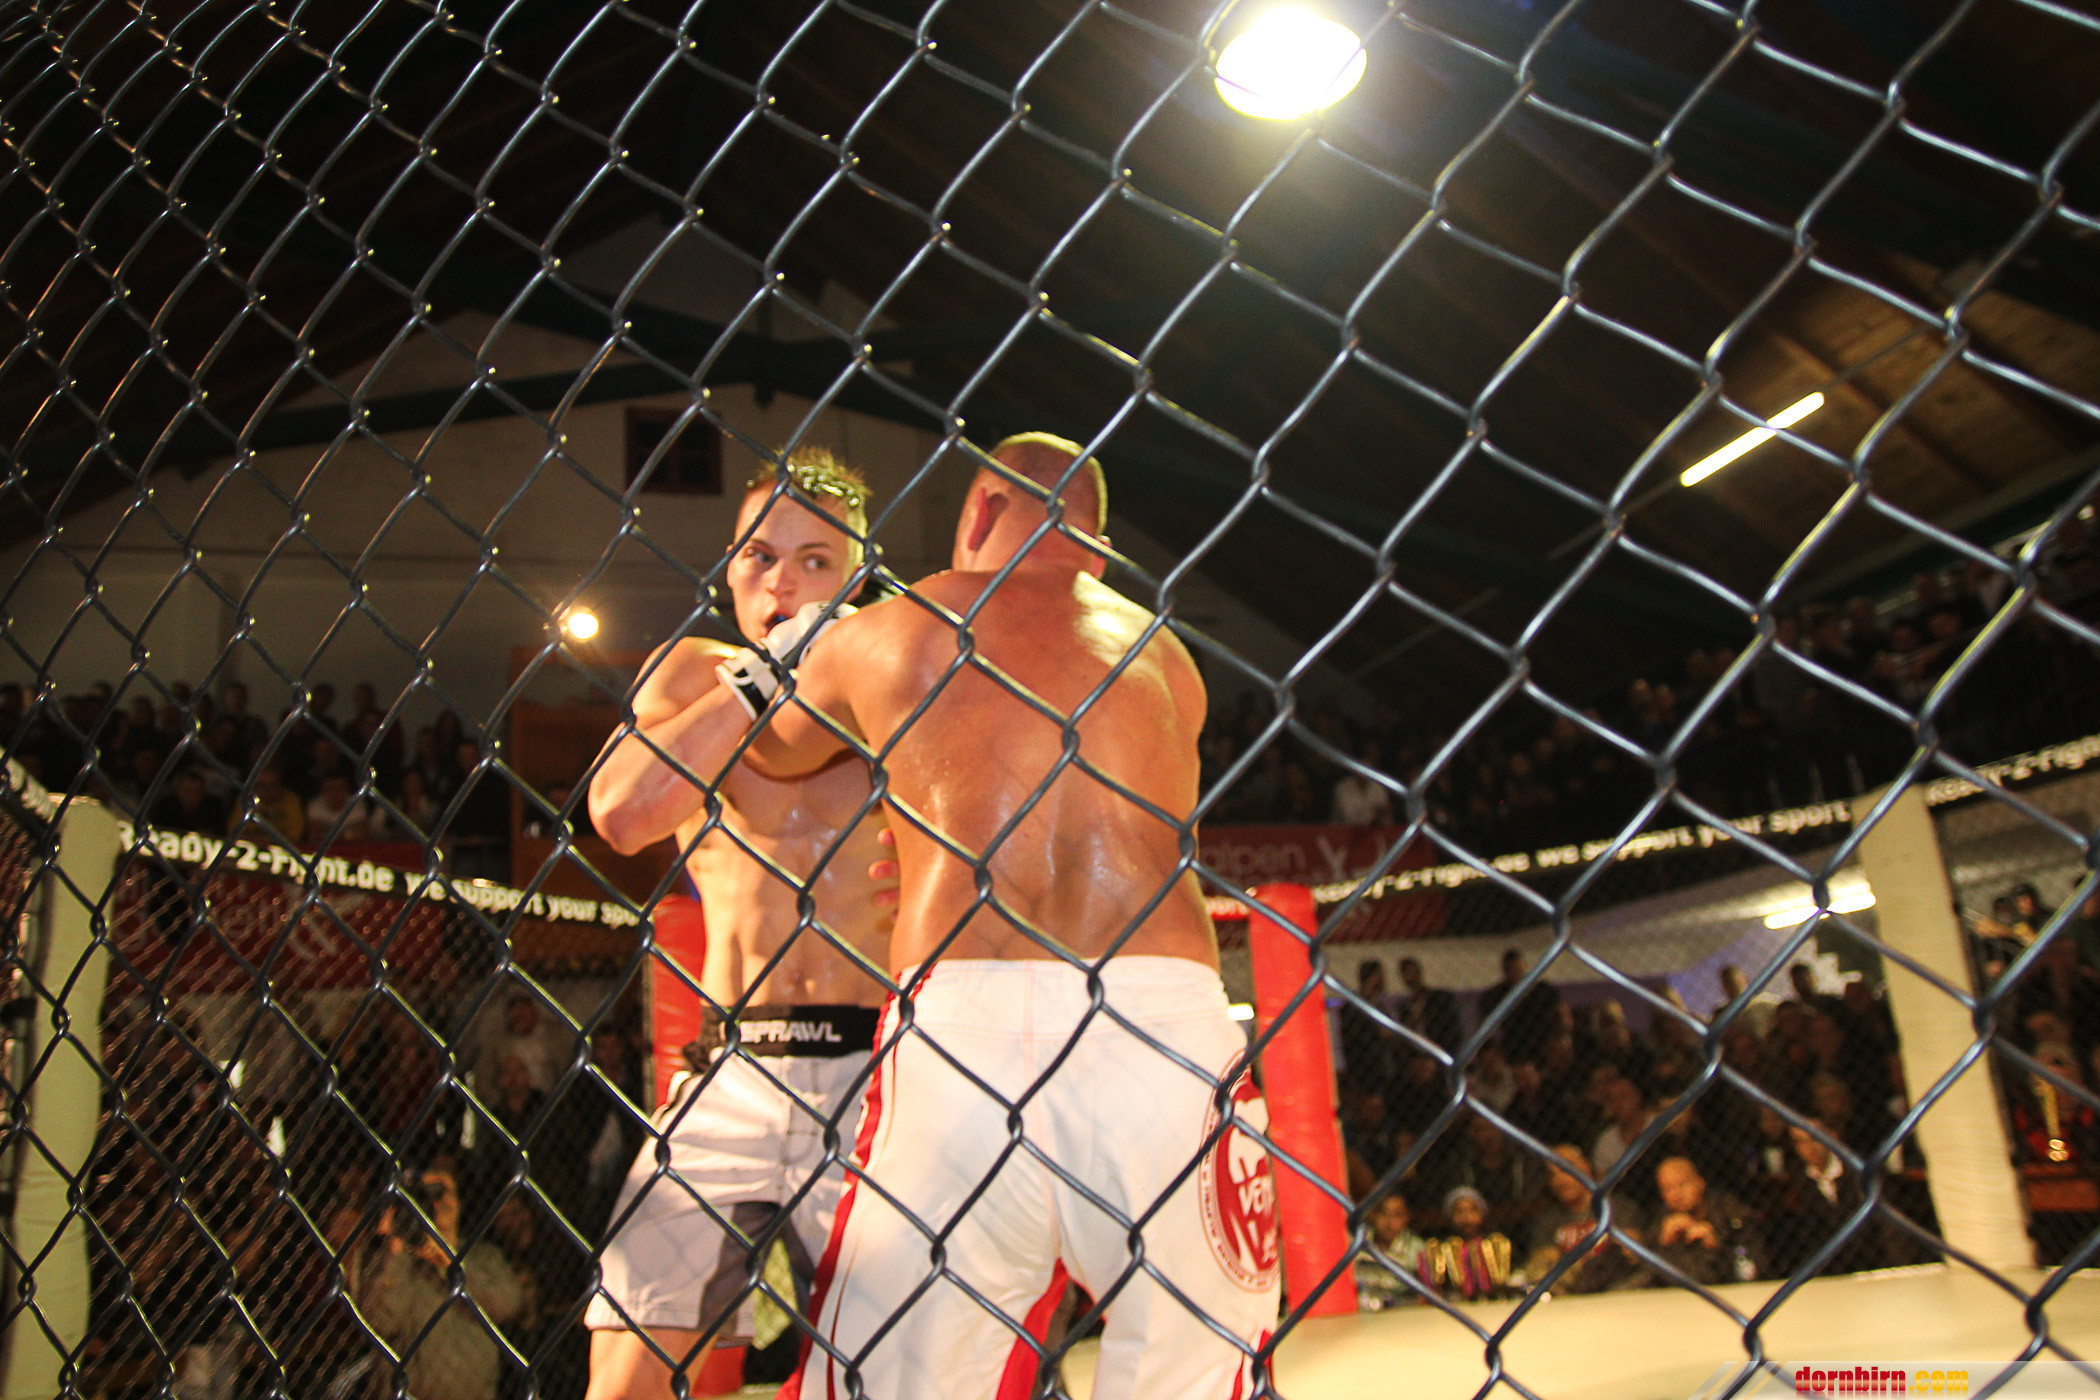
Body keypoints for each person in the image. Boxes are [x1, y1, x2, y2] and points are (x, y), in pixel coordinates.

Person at [635, 433, 1278, 1399]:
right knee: (1195, 1369)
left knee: (895, 1378)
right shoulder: (1166, 654)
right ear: (1098, 551)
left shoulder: (894, 629)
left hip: (964, 1019)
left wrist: (804, 670)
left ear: (977, 512)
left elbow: (768, 749)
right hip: (1166, 1021)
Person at [584, 451, 896, 1400]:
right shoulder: (688, 675)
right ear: (729, 571)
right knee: (628, 1382)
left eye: (815, 560)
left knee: (894, 1374)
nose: (782, 583)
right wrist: (760, 682)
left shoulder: (902, 682)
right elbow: (622, 815)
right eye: (761, 556)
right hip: (727, 1071)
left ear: (858, 578)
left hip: (882, 1074)